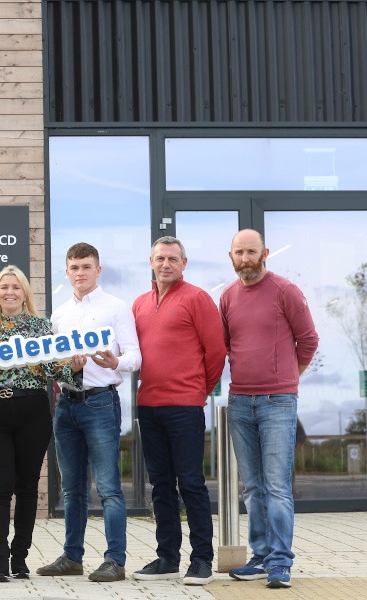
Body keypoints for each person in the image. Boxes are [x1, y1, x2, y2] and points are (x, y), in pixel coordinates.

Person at [0, 265, 83, 582]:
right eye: (3, 287)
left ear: (24, 293)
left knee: (28, 487)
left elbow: (57, 371)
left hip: (33, 408)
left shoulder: (41, 327)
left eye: (16, 287)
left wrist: (74, 368)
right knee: (0, 487)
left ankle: (20, 558)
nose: (9, 291)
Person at [220, 229, 319, 589]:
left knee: (277, 487)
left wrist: (288, 378)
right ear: (230, 255)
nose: (245, 258)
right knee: (253, 488)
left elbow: (308, 340)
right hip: (240, 400)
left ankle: (280, 562)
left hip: (278, 401)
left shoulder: (285, 290)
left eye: (252, 252)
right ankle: (260, 556)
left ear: (266, 253)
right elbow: (227, 345)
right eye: (239, 252)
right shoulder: (228, 296)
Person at [37, 243, 141, 582]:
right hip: (66, 404)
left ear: (98, 270)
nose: (80, 273)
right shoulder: (60, 314)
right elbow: (52, 363)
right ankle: (72, 556)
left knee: (109, 487)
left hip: (100, 403)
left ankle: (115, 560)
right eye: (74, 267)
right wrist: (64, 366)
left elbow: (135, 357)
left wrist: (116, 362)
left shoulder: (116, 308)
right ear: (66, 272)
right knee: (72, 488)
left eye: (86, 266)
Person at [131, 236, 226, 586]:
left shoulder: (198, 299)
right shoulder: (139, 304)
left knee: (190, 483)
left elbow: (216, 352)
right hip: (149, 406)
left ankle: (201, 559)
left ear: (184, 263)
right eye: (160, 258)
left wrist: (198, 392)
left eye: (173, 258)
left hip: (185, 407)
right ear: (151, 262)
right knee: (160, 485)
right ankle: (167, 557)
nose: (166, 264)